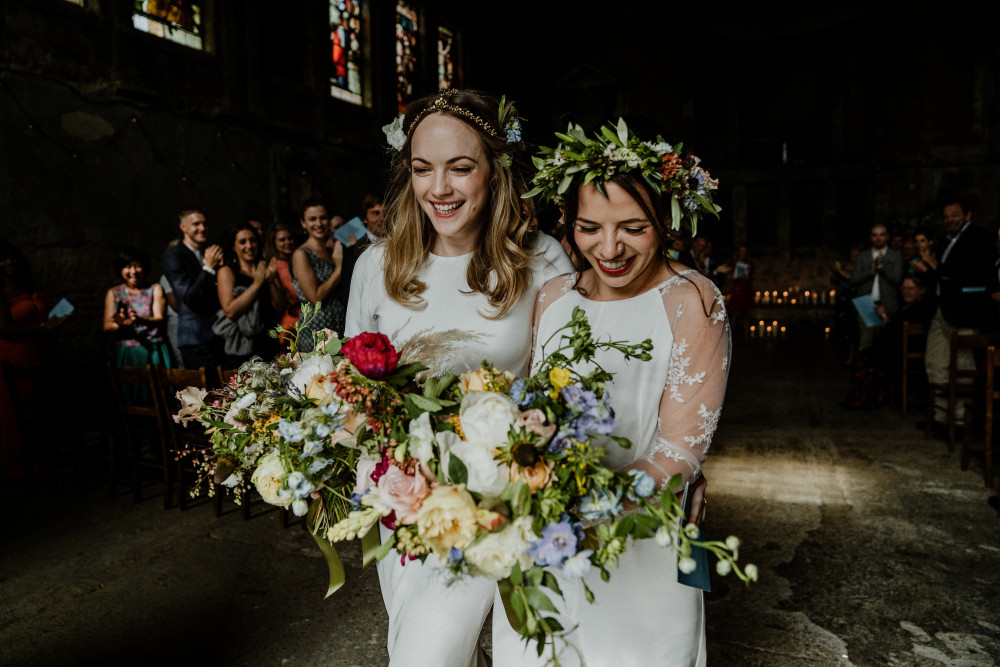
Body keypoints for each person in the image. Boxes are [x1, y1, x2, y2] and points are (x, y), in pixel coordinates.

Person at [345, 88, 575, 667]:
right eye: (423, 170)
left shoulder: (541, 260)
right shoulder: (377, 265)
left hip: (506, 498)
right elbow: (353, 388)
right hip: (408, 499)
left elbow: (568, 383)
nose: (439, 189)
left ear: (494, 172)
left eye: (460, 168)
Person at [492, 120, 727, 666]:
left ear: (666, 224)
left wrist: (588, 510)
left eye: (633, 227)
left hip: (639, 541)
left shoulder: (692, 299)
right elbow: (529, 407)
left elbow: (682, 445)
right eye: (589, 227)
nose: (610, 247)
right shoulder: (552, 297)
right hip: (544, 534)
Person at [924, 196, 997, 428]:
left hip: (967, 310)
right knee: (935, 361)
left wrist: (937, 268)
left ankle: (959, 420)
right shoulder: (945, 241)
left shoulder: (981, 237)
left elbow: (974, 273)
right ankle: (940, 416)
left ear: (967, 215)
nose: (949, 220)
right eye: (946, 216)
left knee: (964, 365)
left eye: (954, 215)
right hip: (943, 308)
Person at [0, 242, 67, 478]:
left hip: (40, 351)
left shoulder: (28, 286)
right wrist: (41, 327)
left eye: (12, 258)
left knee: (45, 404)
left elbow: (45, 319)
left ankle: (49, 457)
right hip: (16, 356)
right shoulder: (0, 291)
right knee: (23, 407)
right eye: (3, 259)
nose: (9, 263)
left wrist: (56, 319)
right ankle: (24, 461)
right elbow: (5, 330)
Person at [841, 275, 935, 410]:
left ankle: (865, 399)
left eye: (910, 289)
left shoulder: (918, 309)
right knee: (864, 353)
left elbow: (895, 332)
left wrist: (884, 316)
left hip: (899, 355)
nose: (905, 291)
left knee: (864, 358)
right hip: (894, 350)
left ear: (920, 290)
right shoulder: (906, 308)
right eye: (903, 288)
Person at [215, 222, 285, 368]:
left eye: (252, 240)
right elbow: (230, 311)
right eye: (242, 242)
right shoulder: (227, 271)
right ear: (234, 247)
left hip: (269, 341)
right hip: (244, 348)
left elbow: (280, 306)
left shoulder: (264, 267)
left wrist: (271, 281)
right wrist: (257, 284)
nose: (249, 245)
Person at [161, 208, 224, 370]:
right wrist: (209, 268)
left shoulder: (207, 253)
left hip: (217, 335)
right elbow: (189, 297)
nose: (202, 228)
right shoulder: (174, 255)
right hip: (195, 339)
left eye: (204, 224)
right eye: (196, 224)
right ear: (183, 227)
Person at [102, 247, 171, 368]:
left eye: (138, 266)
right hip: (128, 351)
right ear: (120, 269)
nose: (133, 271)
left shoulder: (154, 289)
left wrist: (139, 320)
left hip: (153, 349)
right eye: (128, 266)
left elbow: (160, 318)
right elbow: (107, 326)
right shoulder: (114, 293)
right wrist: (121, 323)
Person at [292, 198, 345, 351]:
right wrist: (339, 268)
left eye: (323, 218)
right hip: (317, 329)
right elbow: (315, 298)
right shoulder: (301, 254)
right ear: (303, 223)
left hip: (337, 324)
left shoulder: (330, 250)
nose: (319, 223)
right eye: (312, 219)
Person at [849, 224, 903, 352]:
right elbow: (854, 279)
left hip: (888, 304)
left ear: (887, 237)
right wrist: (870, 271)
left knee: (885, 343)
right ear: (870, 238)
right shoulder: (864, 255)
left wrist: (881, 268)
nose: (878, 238)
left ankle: (881, 371)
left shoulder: (895, 255)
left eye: (881, 234)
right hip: (866, 303)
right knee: (866, 341)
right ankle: (862, 371)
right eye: (875, 235)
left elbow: (897, 279)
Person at [265, 222, 301, 344]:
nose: (287, 242)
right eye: (282, 240)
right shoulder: (275, 265)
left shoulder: (299, 259)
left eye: (289, 238)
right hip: (290, 319)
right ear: (274, 243)